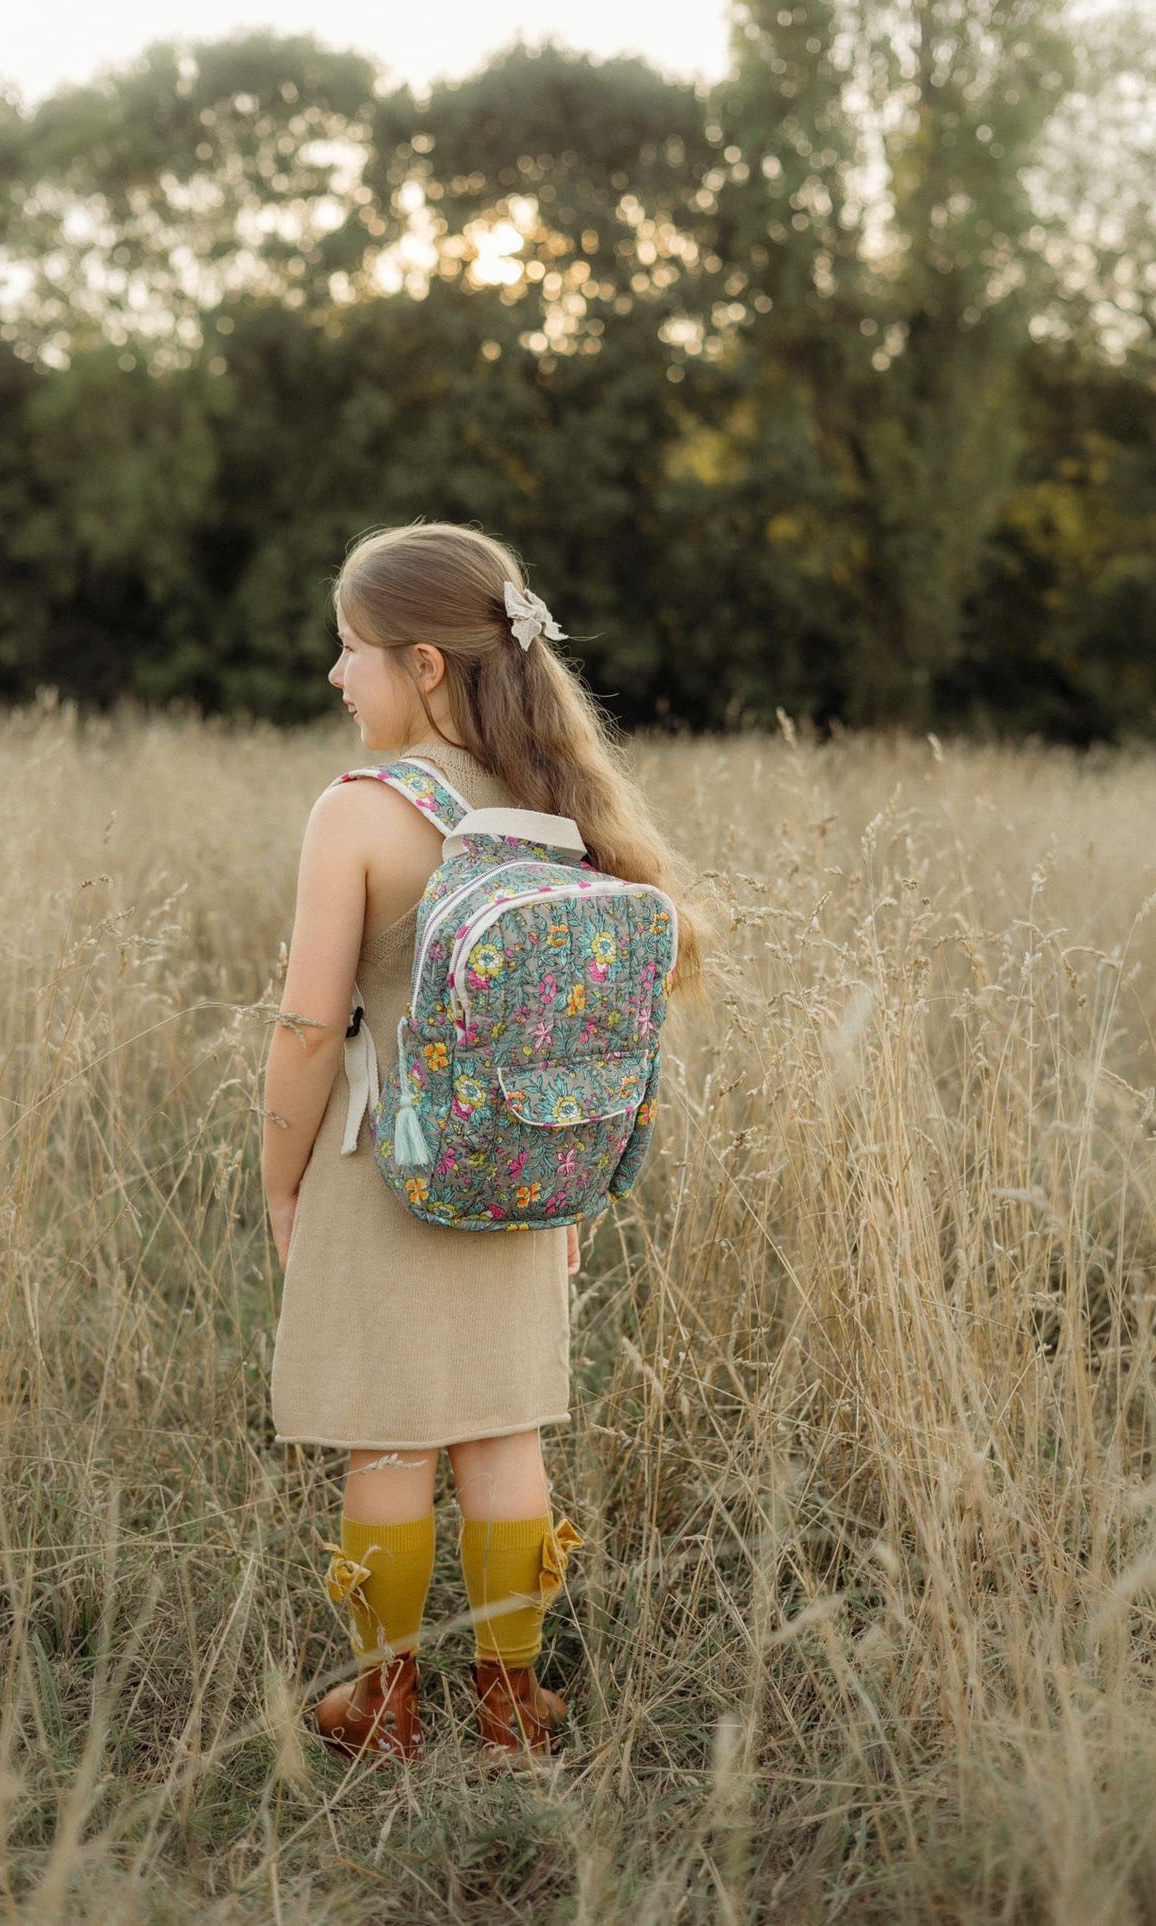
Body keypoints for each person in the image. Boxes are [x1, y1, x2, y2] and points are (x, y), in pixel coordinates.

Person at [262, 519, 709, 1770]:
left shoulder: (358, 812)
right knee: (503, 1437)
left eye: (347, 651)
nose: (333, 676)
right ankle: (513, 1701)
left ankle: (382, 1701)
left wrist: (279, 1182)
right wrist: (564, 1190)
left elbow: (307, 1031)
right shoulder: (548, 797)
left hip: (383, 1160)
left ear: (420, 662)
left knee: (392, 1437)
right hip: (526, 1168)